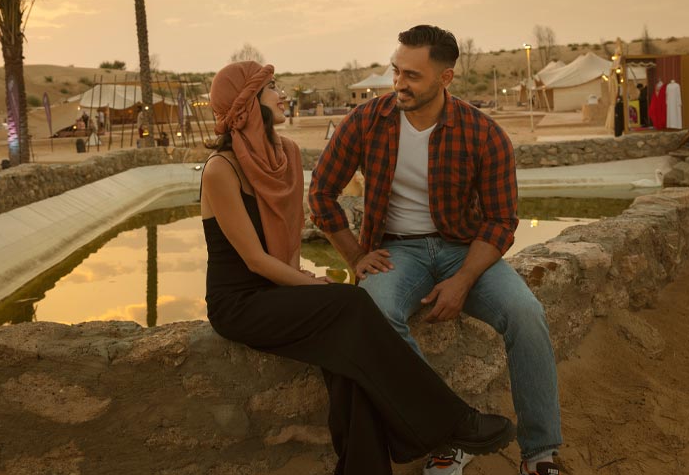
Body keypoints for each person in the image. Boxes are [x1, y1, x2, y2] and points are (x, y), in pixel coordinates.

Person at [202, 60, 515, 475]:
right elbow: (255, 260)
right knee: (350, 306)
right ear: (245, 104)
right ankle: (450, 421)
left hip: (279, 290)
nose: (282, 94)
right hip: (240, 302)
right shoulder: (221, 170)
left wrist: (304, 288)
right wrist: (311, 285)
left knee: (347, 356)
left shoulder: (287, 154)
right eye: (271, 88)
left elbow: (289, 239)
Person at [309, 25, 563, 475]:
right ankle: (451, 433)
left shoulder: (482, 133)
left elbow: (502, 220)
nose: (399, 83)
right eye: (396, 71)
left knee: (526, 314)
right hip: (395, 252)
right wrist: (353, 256)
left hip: (464, 251)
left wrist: (463, 280)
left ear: (445, 79)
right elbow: (322, 193)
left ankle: (539, 453)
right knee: (375, 315)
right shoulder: (368, 121)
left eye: (412, 75)